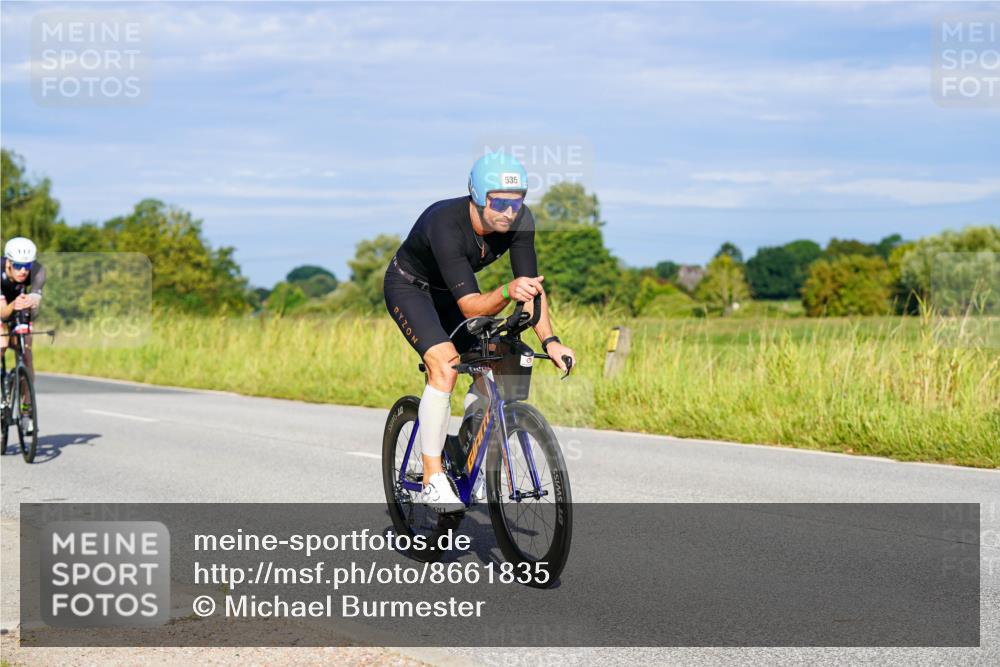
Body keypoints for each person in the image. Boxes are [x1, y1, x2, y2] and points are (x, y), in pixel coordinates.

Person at [384, 152, 576, 511]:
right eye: (499, 203)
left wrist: (550, 341)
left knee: (495, 365)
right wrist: (506, 291)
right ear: (477, 196)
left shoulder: (520, 221)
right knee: (445, 364)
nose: (509, 212)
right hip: (412, 289)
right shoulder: (445, 222)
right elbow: (473, 305)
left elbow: (531, 287)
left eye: (517, 203)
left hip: (453, 295)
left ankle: (470, 459)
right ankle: (432, 479)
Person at [1, 237, 45, 434]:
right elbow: (2, 313)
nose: (23, 271)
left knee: (26, 353)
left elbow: (35, 310)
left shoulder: (37, 272)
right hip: (2, 310)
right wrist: (14, 304)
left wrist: (32, 302)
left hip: (20, 312)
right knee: (1, 343)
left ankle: (26, 409)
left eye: (27, 265)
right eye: (18, 266)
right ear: (8, 262)